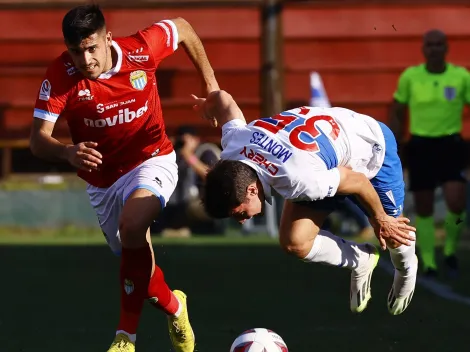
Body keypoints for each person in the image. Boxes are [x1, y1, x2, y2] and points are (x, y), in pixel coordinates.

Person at [29, 5, 219, 352]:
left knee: (131, 228)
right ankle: (176, 307)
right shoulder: (60, 75)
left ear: (108, 38)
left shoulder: (142, 49)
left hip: (153, 159)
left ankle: (125, 338)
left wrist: (210, 83)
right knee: (136, 263)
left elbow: (184, 27)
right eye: (76, 51)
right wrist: (67, 152)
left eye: (92, 48)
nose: (85, 59)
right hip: (102, 180)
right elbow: (38, 139)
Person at [192, 90, 417, 315]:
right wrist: (209, 103)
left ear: (252, 189)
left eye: (239, 214)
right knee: (294, 241)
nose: (242, 221)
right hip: (321, 158)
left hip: (369, 147)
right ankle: (361, 258)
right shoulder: (233, 144)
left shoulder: (297, 179)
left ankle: (407, 270)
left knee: (393, 233)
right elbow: (224, 100)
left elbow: (356, 181)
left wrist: (380, 218)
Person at [390, 29, 469, 278]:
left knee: (456, 201)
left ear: (446, 48)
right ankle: (429, 261)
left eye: (439, 44)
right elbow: (398, 109)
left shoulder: (461, 76)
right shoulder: (411, 77)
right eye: (430, 45)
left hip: (451, 145)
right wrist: (396, 142)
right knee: (424, 208)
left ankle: (448, 250)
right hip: (421, 145)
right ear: (424, 49)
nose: (434, 49)